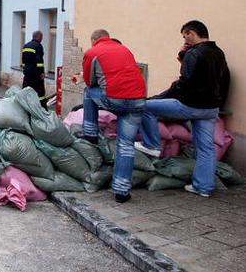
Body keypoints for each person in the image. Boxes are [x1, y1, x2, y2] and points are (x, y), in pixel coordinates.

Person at [137, 20, 229, 198]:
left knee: (145, 107)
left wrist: (160, 97)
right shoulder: (219, 53)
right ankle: (203, 187)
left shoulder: (194, 53)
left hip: (190, 105)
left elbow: (184, 83)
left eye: (185, 35)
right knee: (206, 148)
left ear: (192, 33)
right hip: (211, 109)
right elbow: (223, 80)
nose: (185, 39)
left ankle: (152, 145)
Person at [81, 29, 146, 203]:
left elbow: (89, 81)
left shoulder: (92, 52)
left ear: (94, 40)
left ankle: (90, 132)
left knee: (87, 91)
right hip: (137, 100)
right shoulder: (125, 49)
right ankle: (122, 191)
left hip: (113, 98)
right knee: (126, 146)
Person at [22, 30, 46, 106]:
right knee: (40, 92)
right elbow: (39, 62)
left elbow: (23, 60)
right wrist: (41, 73)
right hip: (36, 73)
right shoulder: (38, 46)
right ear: (38, 37)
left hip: (27, 73)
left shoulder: (26, 45)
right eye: (41, 37)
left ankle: (26, 106)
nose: (42, 39)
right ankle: (41, 107)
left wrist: (25, 69)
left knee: (26, 90)